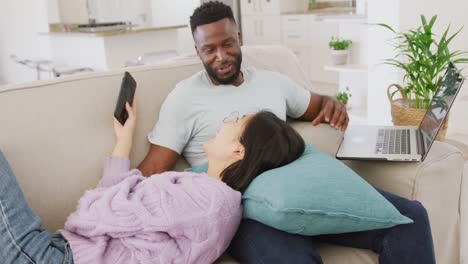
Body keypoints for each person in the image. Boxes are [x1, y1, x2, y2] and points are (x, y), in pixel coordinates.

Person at [138, 2, 436, 264]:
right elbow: (152, 171)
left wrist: (333, 104)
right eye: (209, 50)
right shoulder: (184, 98)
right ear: (197, 51)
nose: (221, 57)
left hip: (299, 188)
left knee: (411, 218)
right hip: (243, 211)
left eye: (228, 44)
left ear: (239, 38)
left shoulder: (272, 82)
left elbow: (316, 104)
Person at [0, 98, 306, 264]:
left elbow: (101, 211)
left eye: (236, 122)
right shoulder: (203, 191)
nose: (225, 122)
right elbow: (120, 206)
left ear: (238, 150)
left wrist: (93, 208)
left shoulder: (211, 203)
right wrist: (124, 140)